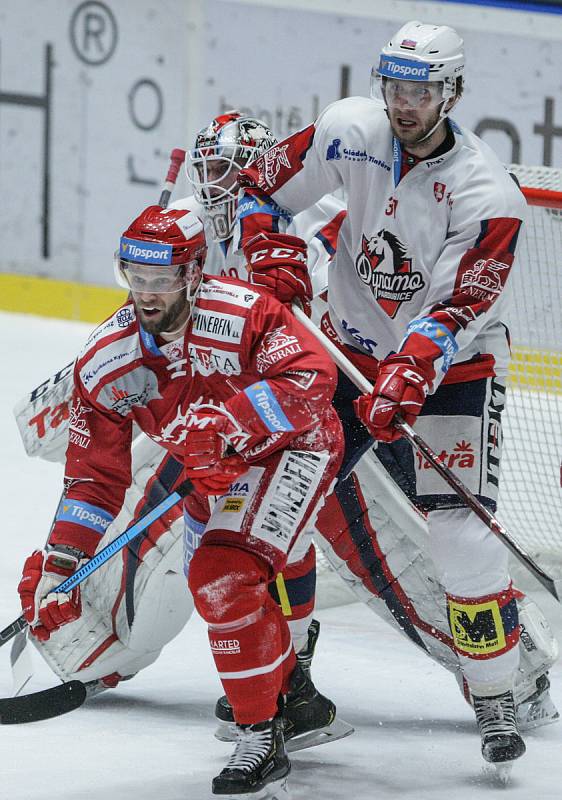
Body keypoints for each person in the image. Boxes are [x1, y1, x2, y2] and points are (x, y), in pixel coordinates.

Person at [235, 20, 531, 767]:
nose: (403, 104)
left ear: (452, 93)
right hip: (344, 353)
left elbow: (460, 307)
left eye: (421, 91)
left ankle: (494, 693)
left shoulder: (488, 193)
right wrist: (273, 254)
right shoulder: (348, 129)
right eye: (394, 87)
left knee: (459, 537)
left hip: (454, 370)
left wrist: (409, 375)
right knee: (284, 503)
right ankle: (290, 682)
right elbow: (260, 186)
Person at [13, 111, 352, 753]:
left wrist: (229, 425)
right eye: (132, 279)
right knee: (213, 564)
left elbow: (309, 360)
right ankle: (284, 688)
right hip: (204, 418)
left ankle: (293, 675)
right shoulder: (185, 230)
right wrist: (65, 555)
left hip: (286, 415)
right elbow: (94, 476)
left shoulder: (298, 219)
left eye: (233, 167)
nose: (219, 178)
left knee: (264, 551)